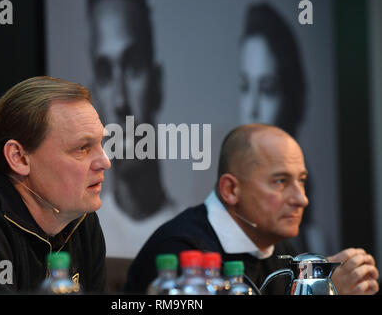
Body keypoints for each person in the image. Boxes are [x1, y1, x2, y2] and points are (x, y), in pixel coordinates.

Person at [125, 124, 379, 295]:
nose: (302, 199)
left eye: (301, 180)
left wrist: (319, 279)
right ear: (231, 190)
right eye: (280, 182)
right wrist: (325, 288)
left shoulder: (278, 248)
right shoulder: (183, 251)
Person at [0, 76, 111, 294]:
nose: (105, 162)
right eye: (83, 147)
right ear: (19, 158)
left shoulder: (82, 221)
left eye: (100, 144)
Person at [87, 0, 176, 259]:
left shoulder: (194, 236)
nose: (120, 100)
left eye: (134, 67)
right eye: (105, 74)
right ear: (93, 95)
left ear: (157, 83)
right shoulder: (77, 239)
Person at [238, 1, 325, 254]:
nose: (252, 108)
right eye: (244, 87)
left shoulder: (315, 243)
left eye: (267, 90)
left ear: (291, 99)